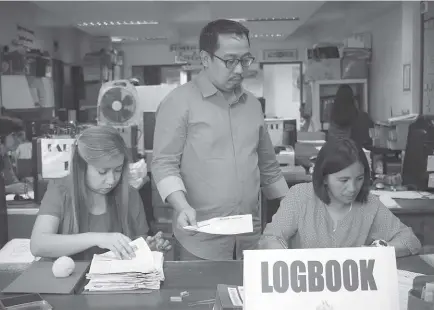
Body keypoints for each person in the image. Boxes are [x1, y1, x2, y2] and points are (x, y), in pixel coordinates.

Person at [151, 19, 289, 261]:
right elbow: (164, 164)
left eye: (244, 60)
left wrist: (294, 206)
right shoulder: (178, 102)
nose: (239, 70)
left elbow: (268, 167)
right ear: (205, 59)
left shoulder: (253, 105)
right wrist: (181, 206)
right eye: (230, 61)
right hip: (200, 241)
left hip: (250, 238)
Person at [257, 137, 421, 258]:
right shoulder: (300, 196)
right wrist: (283, 258)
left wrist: (380, 250)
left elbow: (410, 240)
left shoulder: (369, 204)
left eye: (359, 179)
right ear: (325, 177)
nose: (353, 189)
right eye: (343, 180)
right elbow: (271, 238)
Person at [30, 126, 171, 260]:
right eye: (102, 172)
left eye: (117, 170)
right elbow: (38, 245)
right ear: (81, 167)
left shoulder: (130, 195)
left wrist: (149, 249)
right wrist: (97, 238)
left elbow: (137, 245)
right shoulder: (60, 190)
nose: (111, 180)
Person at [0, 116, 30, 195]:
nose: (19, 141)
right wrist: (8, 189)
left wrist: (20, 186)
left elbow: (12, 181)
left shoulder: (4, 157)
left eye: (22, 137)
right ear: (2, 135)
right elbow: (10, 187)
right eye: (17, 135)